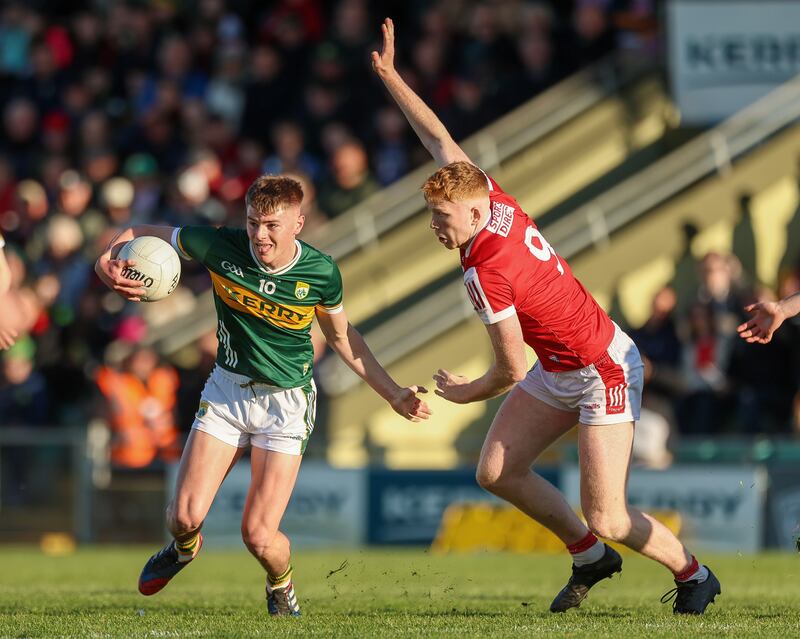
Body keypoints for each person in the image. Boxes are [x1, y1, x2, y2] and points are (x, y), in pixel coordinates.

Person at [371, 18, 720, 615]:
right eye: (431, 214)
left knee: (609, 514)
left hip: (602, 368)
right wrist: (391, 77)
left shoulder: (485, 269)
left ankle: (695, 575)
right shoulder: (488, 196)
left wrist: (464, 392)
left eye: (442, 218)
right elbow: (438, 138)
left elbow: (509, 368)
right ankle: (590, 557)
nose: (435, 226)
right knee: (496, 472)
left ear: (472, 213)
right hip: (561, 365)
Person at [95, 174, 430, 616]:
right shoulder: (221, 246)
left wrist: (392, 393)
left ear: (298, 224)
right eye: (253, 223)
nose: (260, 235)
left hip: (286, 404)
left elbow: (342, 337)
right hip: (228, 390)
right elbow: (136, 231)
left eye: (272, 225)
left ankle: (280, 583)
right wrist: (105, 262)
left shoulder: (321, 272)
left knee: (258, 536)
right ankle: (184, 549)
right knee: (182, 518)